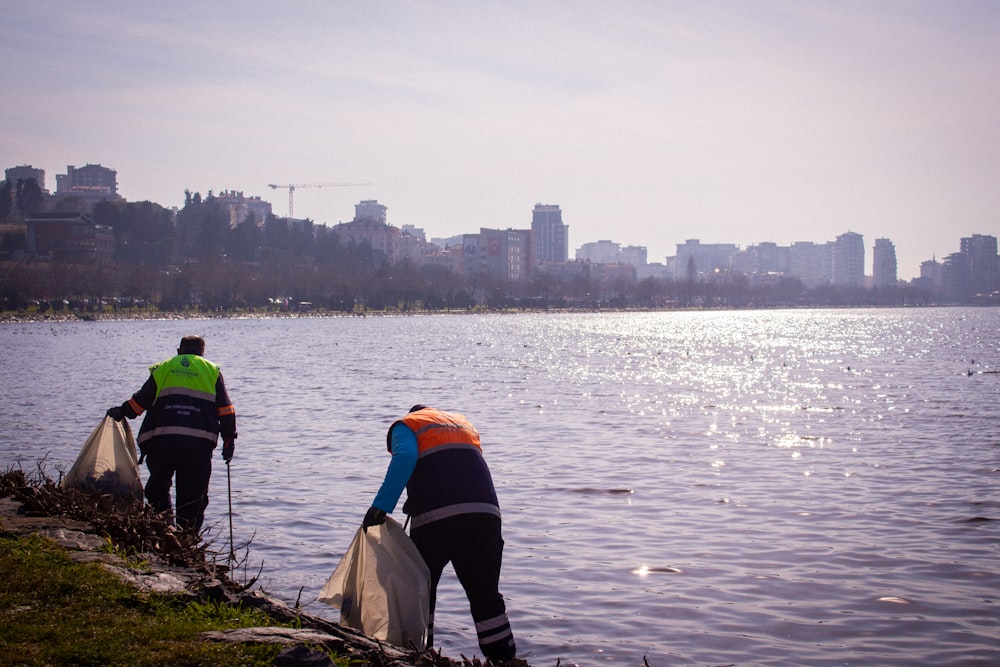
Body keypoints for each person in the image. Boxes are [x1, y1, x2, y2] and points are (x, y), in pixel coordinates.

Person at [363, 405, 516, 661]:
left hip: (436, 519)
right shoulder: (463, 425)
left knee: (422, 590)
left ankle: (421, 654)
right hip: (486, 516)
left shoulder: (407, 425)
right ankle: (504, 659)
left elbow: (405, 458)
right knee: (485, 594)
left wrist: (380, 507)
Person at [106, 335, 237, 533]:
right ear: (202, 352)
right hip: (197, 447)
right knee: (192, 496)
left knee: (157, 488)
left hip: (161, 443)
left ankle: (164, 527)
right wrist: (229, 441)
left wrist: (121, 411)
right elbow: (226, 410)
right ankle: (187, 538)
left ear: (179, 351)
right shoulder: (211, 371)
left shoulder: (163, 368)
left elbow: (140, 403)